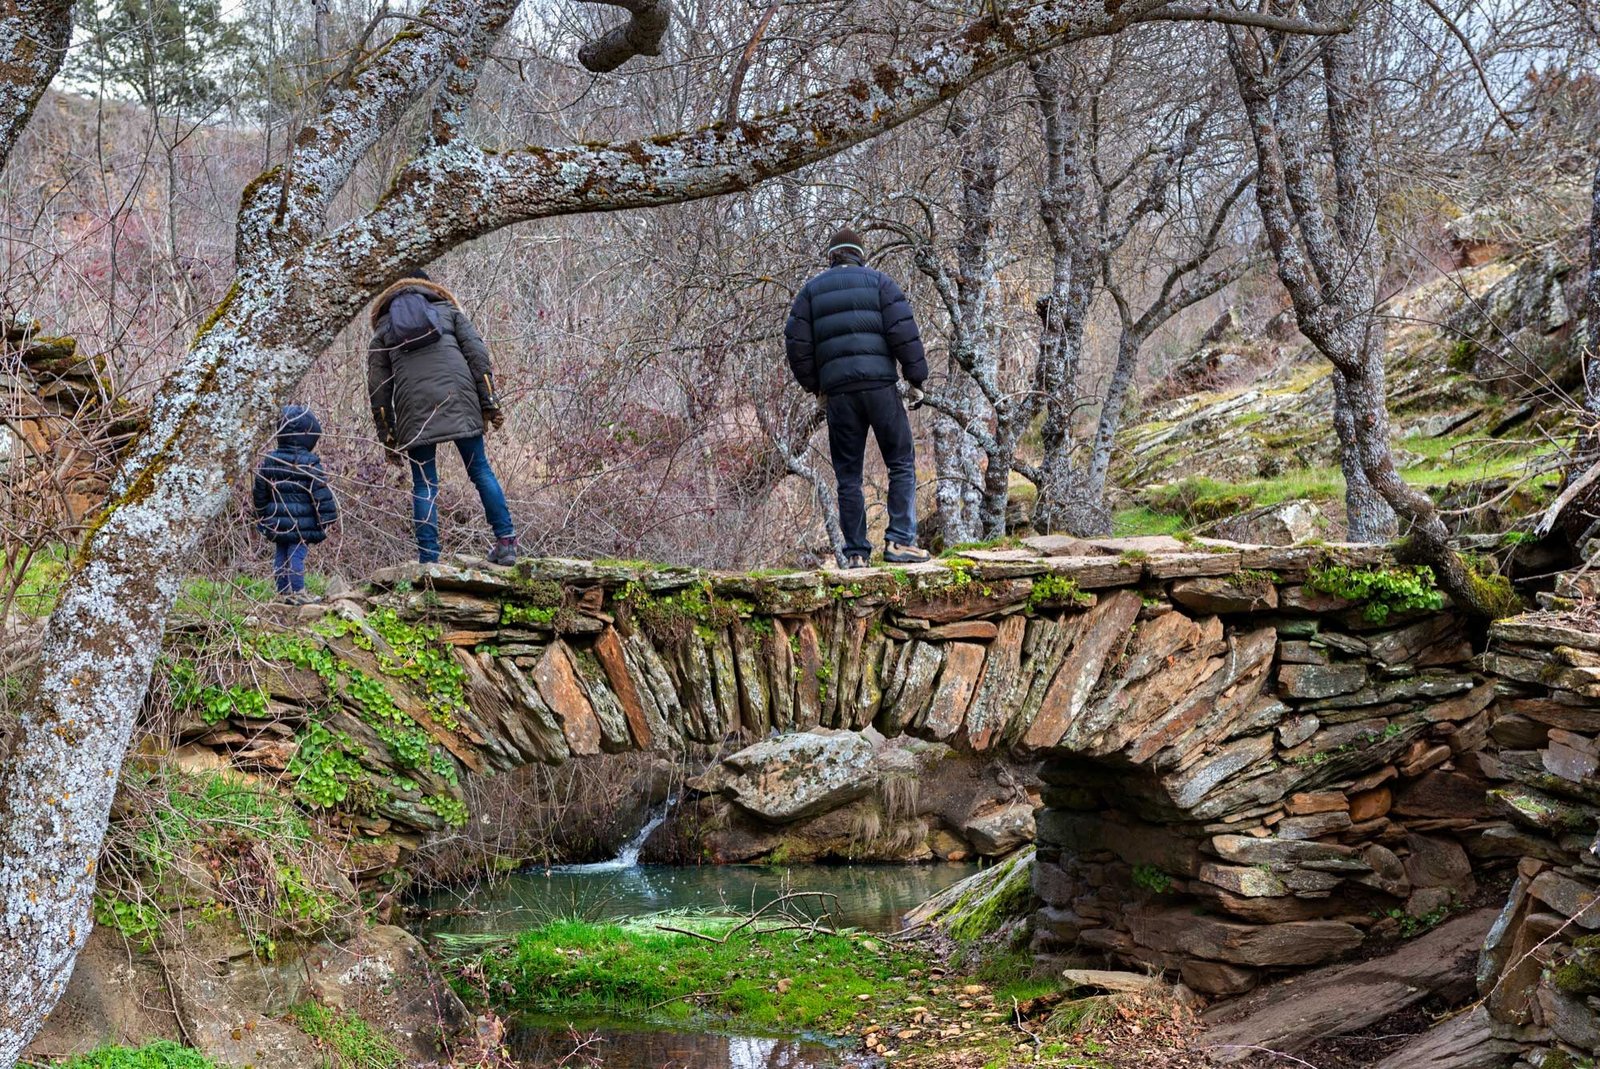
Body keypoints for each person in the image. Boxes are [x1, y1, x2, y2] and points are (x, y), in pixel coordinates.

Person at [784, 226, 931, 569]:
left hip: (839, 396)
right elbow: (904, 332)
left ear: (832, 258)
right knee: (900, 461)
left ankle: (855, 555)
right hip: (880, 388)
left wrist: (817, 387)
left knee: (848, 475)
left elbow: (796, 344)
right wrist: (916, 378)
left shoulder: (810, 292)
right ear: (861, 255)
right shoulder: (880, 283)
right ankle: (900, 542)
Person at [367, 269, 519, 566]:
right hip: (459, 398)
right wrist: (490, 402)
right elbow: (478, 355)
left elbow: (378, 388)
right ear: (428, 286)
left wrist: (388, 435)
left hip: (414, 410)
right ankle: (506, 543)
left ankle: (429, 561)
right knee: (480, 471)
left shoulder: (384, 328)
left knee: (425, 484)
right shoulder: (448, 312)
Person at [252, 404, 337, 602]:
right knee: (296, 555)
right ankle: (299, 592)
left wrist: (261, 513)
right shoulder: (309, 462)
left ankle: (283, 592)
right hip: (302, 523)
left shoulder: (270, 460)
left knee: (281, 553)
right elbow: (320, 491)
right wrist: (328, 516)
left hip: (277, 521)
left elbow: (260, 491)